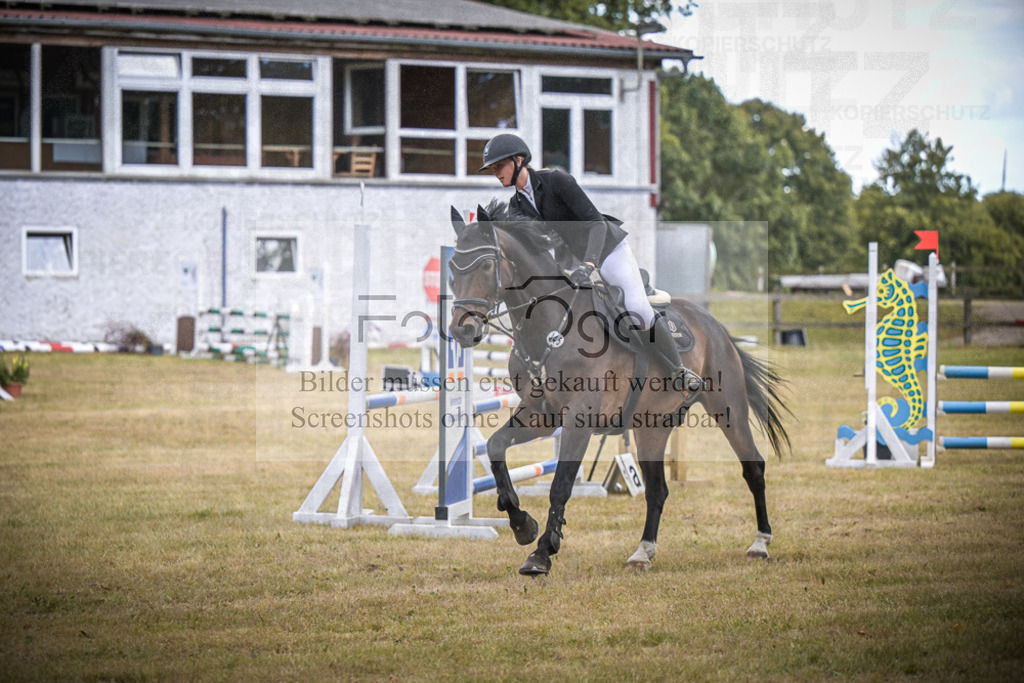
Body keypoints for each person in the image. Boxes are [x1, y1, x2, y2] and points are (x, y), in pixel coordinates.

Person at [479, 133, 701, 392]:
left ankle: (679, 370)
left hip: (606, 249)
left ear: (518, 160)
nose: (495, 172)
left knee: (637, 309)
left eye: (498, 165)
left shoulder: (557, 181)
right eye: (493, 168)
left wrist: (590, 264)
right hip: (572, 257)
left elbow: (596, 224)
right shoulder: (517, 204)